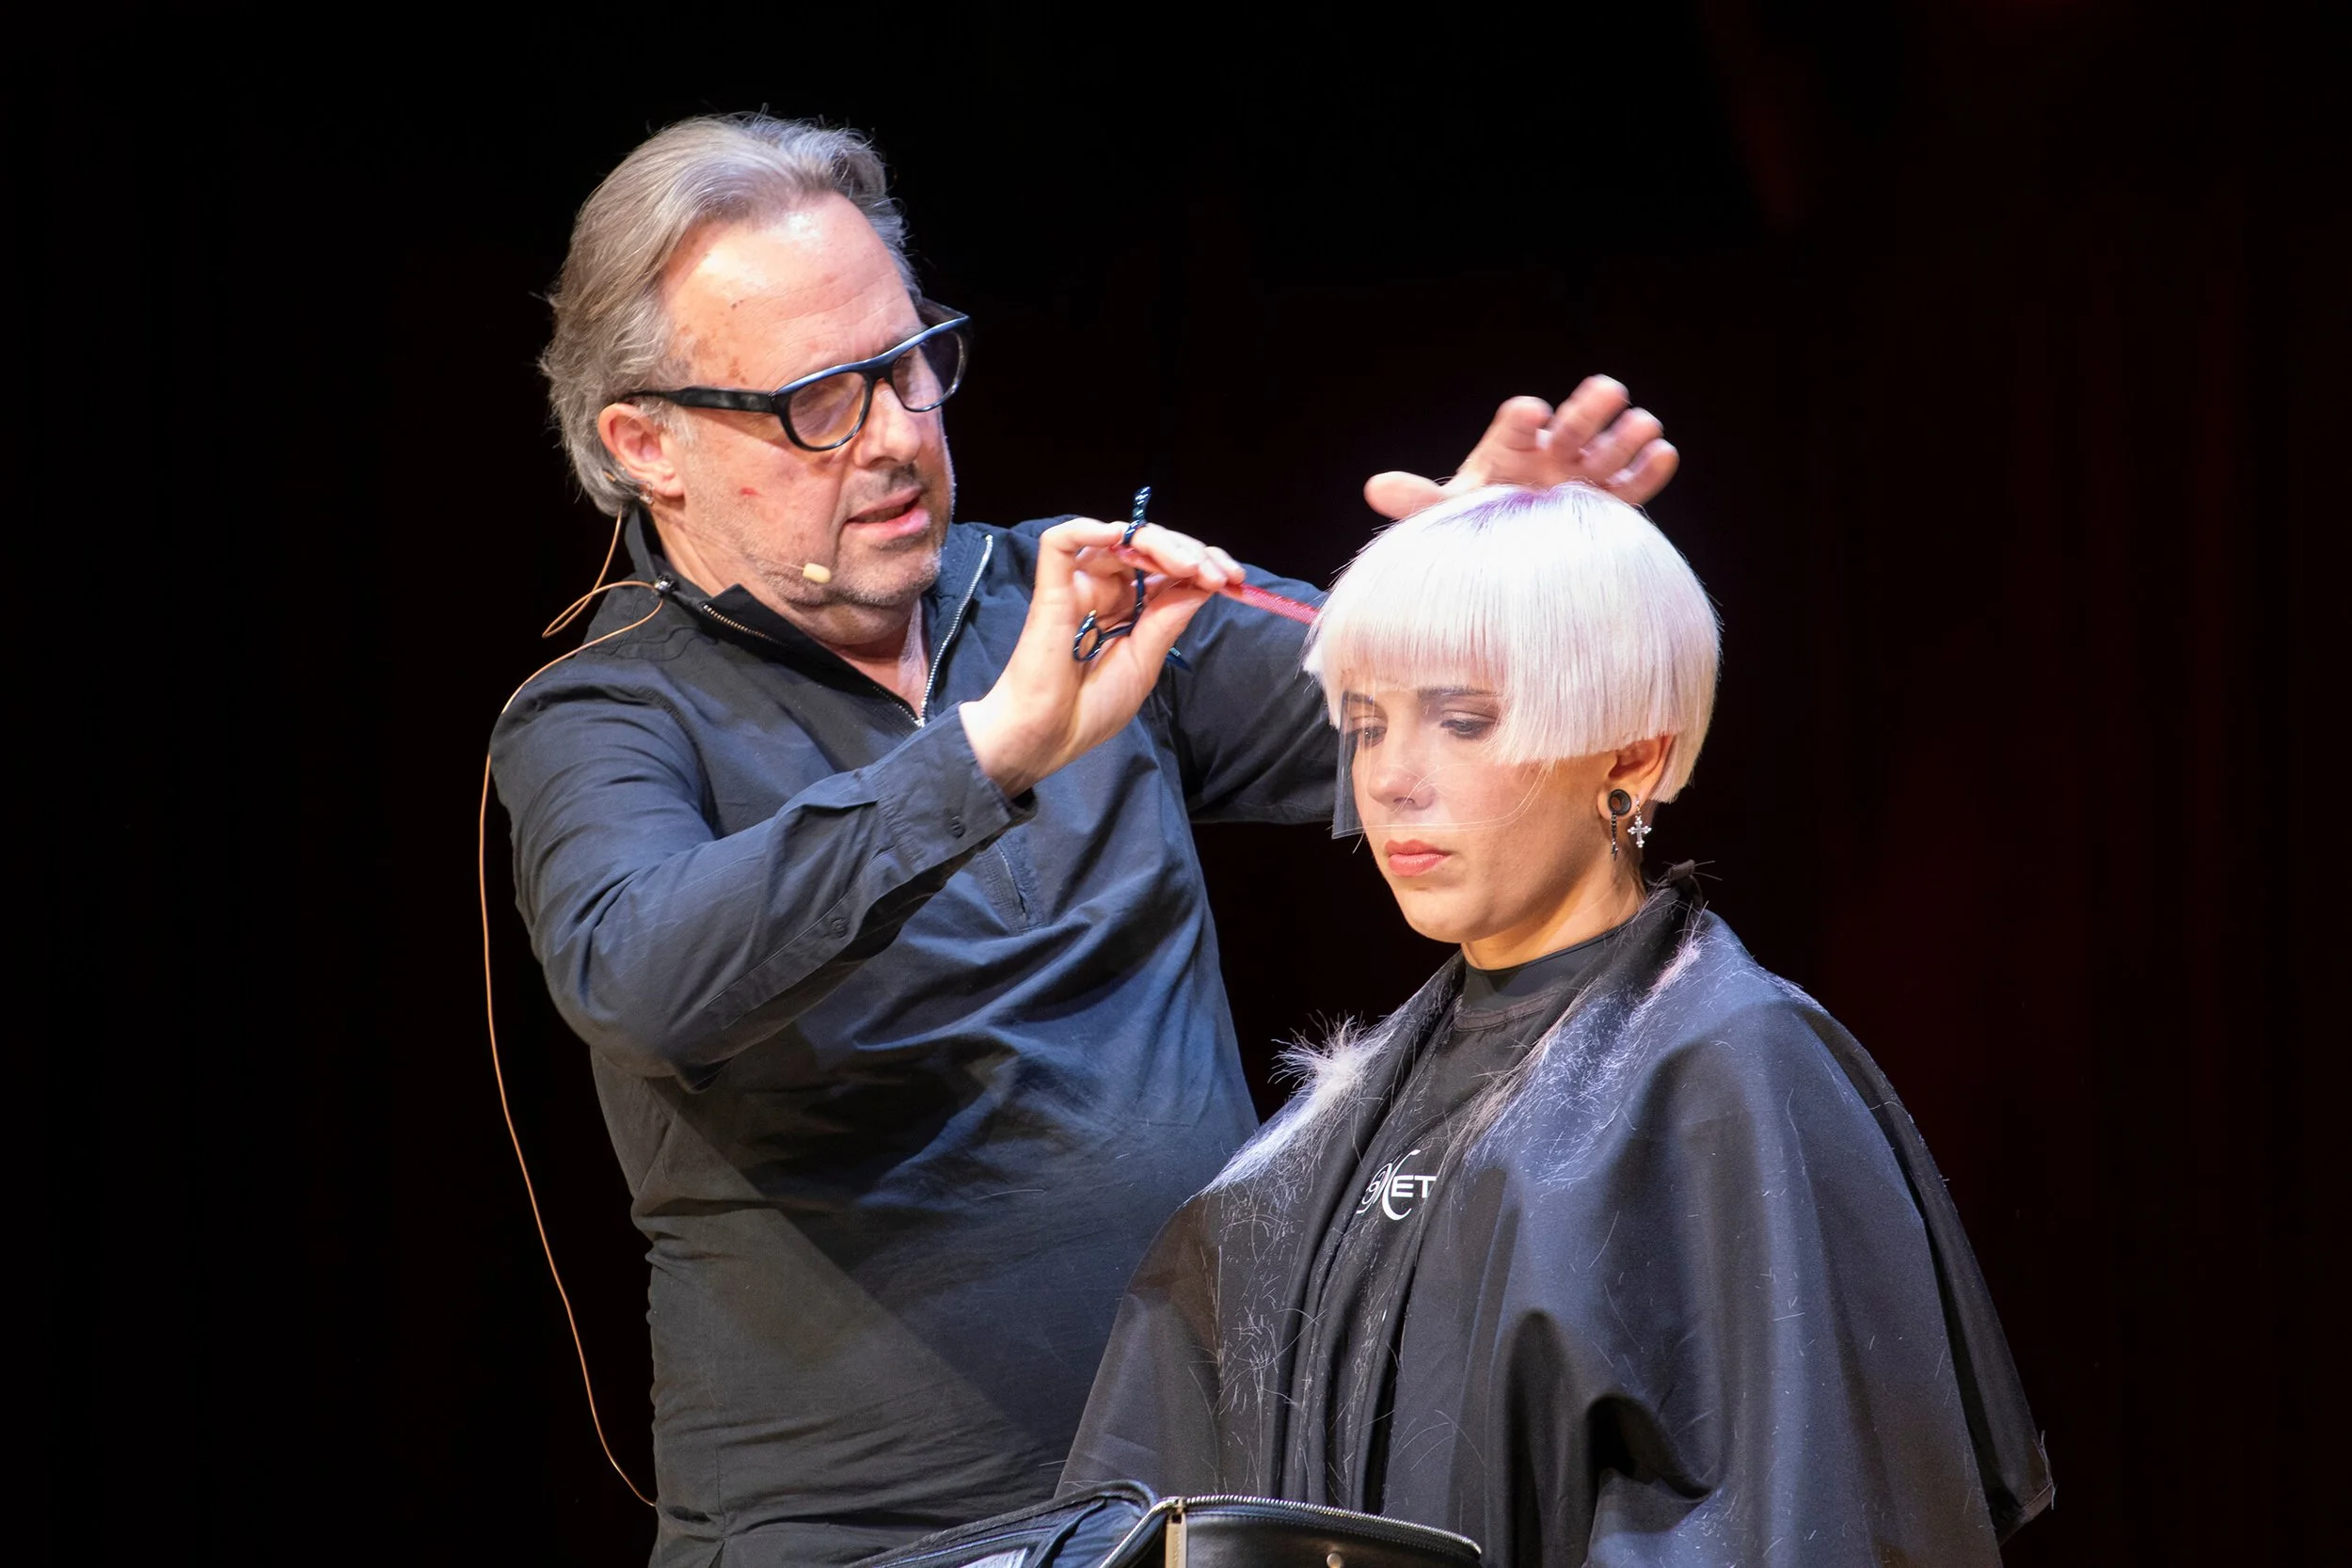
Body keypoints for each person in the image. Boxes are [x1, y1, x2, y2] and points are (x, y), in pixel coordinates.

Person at [491, 114, 1679, 1567]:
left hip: (1201, 1506)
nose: (894, 432)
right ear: (646, 443)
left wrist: (1488, 592)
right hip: (871, 1543)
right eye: (818, 399)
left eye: (912, 360)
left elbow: (1420, 739)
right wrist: (994, 746)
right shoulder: (602, 714)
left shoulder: (1072, 594)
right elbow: (645, 971)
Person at [1062, 483, 2053, 1565]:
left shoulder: (1730, 1073)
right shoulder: (1323, 1135)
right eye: (1366, 724)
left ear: (1628, 755)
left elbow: (1805, 1513)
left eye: (1462, 720)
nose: (1390, 778)